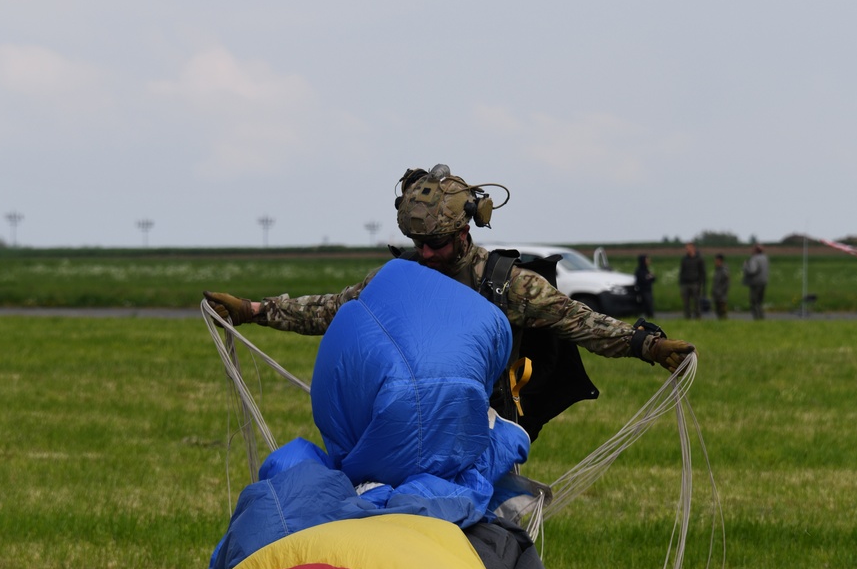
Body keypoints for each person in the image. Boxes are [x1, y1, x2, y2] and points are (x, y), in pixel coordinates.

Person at [205, 166, 696, 444]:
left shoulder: (508, 286)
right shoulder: (401, 279)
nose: (426, 254)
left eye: (436, 243)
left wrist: (646, 346)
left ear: (465, 230)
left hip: (481, 437)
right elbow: (330, 311)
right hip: (405, 430)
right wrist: (253, 311)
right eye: (418, 244)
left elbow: (579, 322)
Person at [678, 242, 706, 320]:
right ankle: (687, 318)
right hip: (685, 283)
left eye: (688, 248)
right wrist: (681, 282)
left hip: (695, 283)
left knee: (696, 302)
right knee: (686, 303)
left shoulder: (699, 259)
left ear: (693, 248)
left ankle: (698, 318)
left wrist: (701, 283)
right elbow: (682, 271)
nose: (687, 250)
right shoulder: (684, 259)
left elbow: (702, 272)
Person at [742, 243, 769, 319]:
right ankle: (761, 317)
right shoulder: (765, 258)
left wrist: (745, 266)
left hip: (755, 283)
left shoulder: (755, 259)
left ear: (756, 250)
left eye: (753, 249)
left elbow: (752, 270)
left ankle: (757, 318)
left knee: (754, 302)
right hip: (763, 282)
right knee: (759, 302)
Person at [711, 253, 730, 319]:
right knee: (718, 312)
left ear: (719, 261)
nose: (715, 262)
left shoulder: (724, 270)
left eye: (716, 260)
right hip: (717, 294)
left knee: (722, 312)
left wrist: (721, 292)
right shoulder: (717, 269)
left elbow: (726, 283)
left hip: (721, 295)